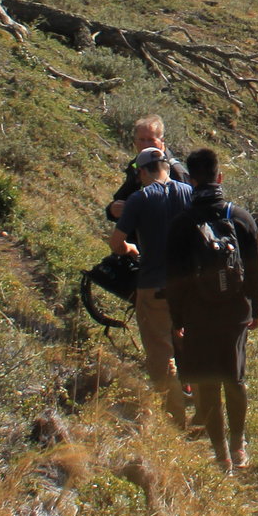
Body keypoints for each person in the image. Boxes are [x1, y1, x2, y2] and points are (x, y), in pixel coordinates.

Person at [164, 147, 258, 471]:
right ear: (219, 177)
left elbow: (175, 278)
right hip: (235, 313)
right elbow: (255, 271)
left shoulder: (181, 224)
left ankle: (220, 454)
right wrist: (255, 308)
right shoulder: (241, 217)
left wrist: (177, 319)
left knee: (208, 385)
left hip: (197, 314)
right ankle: (239, 446)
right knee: (235, 380)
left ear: (190, 180)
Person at [109, 125, 195, 426]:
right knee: (188, 341)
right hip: (187, 285)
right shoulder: (189, 193)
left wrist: (132, 249)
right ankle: (201, 402)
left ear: (143, 173)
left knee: (160, 351)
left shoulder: (140, 198)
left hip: (154, 284)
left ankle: (174, 417)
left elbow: (116, 243)